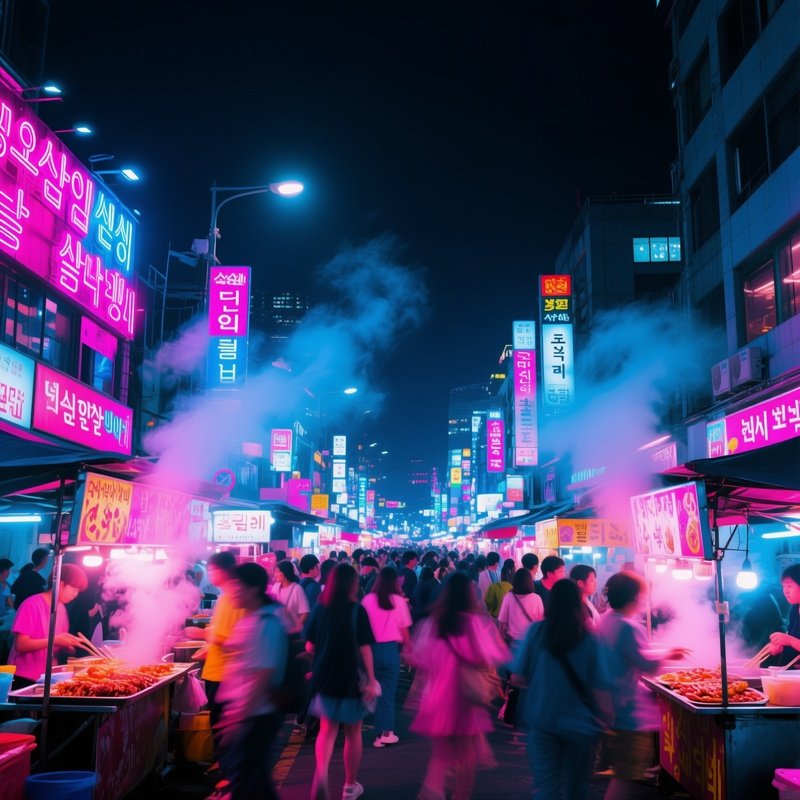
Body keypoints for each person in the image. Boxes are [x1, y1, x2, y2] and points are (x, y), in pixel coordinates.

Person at [410, 572, 510, 800]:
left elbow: (419, 660)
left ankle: (433, 790)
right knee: (466, 757)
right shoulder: (475, 623)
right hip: (465, 698)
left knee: (441, 754)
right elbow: (496, 655)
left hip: (437, 696)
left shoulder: (432, 623)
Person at [511, 579, 609, 800]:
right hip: (581, 725)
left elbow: (517, 677)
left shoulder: (536, 632)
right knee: (577, 788)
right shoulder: (591, 637)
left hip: (542, 720)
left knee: (547, 788)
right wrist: (606, 718)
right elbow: (600, 685)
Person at [598, 571, 689, 800]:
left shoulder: (607, 619)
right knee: (624, 776)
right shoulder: (629, 627)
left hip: (610, 706)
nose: (644, 601)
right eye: (642, 596)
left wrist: (666, 651)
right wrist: (670, 656)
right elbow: (647, 664)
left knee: (623, 771)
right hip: (627, 712)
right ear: (634, 598)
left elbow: (631, 654)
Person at [216, 563, 288, 800]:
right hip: (249, 715)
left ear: (254, 588)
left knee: (249, 785)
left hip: (256, 717)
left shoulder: (266, 623)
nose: (233, 591)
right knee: (255, 786)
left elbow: (262, 675)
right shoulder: (252, 618)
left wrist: (239, 719)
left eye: (238, 585)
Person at [305, 563, 378, 800]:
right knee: (353, 732)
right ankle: (349, 785)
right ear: (353, 584)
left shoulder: (320, 608)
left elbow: (309, 645)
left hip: (325, 675)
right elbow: (365, 648)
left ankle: (322, 774)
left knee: (327, 730)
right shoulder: (357, 610)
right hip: (351, 677)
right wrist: (370, 679)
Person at [182, 551, 246, 735]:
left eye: (212, 570)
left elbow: (236, 639)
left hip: (226, 674)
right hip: (217, 670)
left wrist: (201, 633)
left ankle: (225, 762)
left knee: (222, 728)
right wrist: (208, 646)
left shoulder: (235, 598)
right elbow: (221, 631)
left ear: (224, 571)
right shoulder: (225, 597)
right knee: (219, 726)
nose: (210, 574)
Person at [9, 563, 86, 686]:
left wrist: (68, 647)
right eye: (74, 589)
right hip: (23, 678)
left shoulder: (61, 608)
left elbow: (55, 647)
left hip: (49, 677)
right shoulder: (31, 605)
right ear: (60, 584)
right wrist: (56, 640)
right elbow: (21, 645)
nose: (76, 594)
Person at [361, 566, 412, 748]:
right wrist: (409, 650)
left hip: (370, 650)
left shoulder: (367, 600)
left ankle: (377, 734)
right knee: (388, 694)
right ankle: (386, 732)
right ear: (395, 581)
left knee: (374, 690)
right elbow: (404, 631)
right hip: (391, 650)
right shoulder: (399, 601)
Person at [498, 568, 545, 647]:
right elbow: (541, 622)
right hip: (530, 642)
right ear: (530, 582)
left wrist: (500, 638)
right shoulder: (537, 598)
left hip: (513, 642)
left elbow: (502, 621)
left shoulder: (509, 597)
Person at [768, 563, 800, 666]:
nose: (785, 591)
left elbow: (792, 640)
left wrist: (789, 641)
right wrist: (780, 645)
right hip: (792, 673)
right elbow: (791, 638)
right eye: (784, 586)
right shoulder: (795, 609)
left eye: (789, 586)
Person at [269, 560, 310, 635]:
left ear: (285, 573)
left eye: (277, 572)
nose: (275, 575)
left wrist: (297, 627)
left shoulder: (297, 589)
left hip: (292, 634)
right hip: (277, 632)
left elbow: (305, 612)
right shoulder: (275, 587)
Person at [570, 564, 602, 628]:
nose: (596, 584)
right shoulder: (576, 607)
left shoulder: (586, 601)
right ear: (580, 583)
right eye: (592, 580)